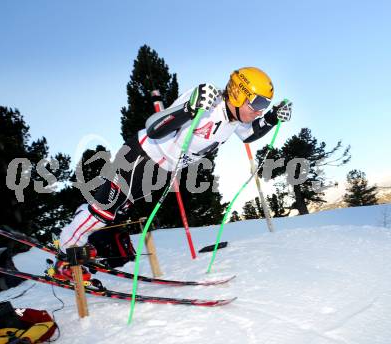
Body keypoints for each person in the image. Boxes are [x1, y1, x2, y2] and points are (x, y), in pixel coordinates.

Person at [53, 67, 292, 281]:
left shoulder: (234, 117)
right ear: (239, 94)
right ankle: (66, 250)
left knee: (119, 210)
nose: (260, 111)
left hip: (162, 169)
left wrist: (272, 119)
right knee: (105, 209)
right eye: (259, 104)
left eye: (265, 106)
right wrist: (189, 109)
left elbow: (248, 135)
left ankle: (81, 232)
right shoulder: (208, 99)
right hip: (141, 154)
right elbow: (155, 128)